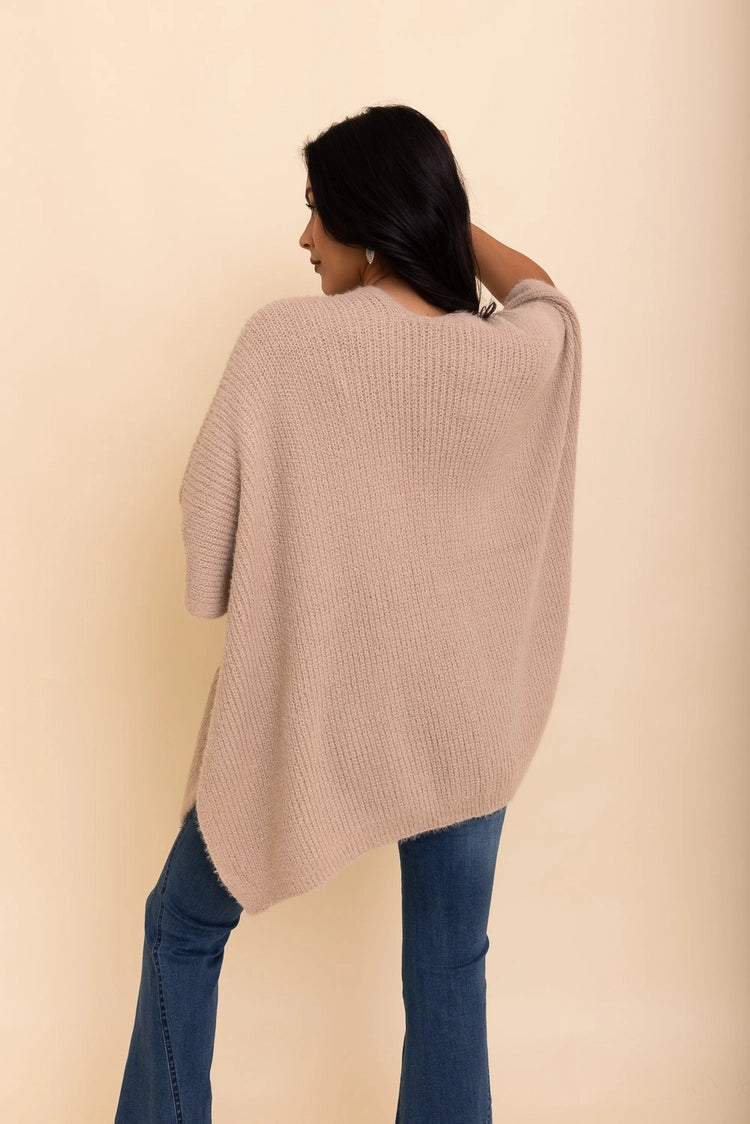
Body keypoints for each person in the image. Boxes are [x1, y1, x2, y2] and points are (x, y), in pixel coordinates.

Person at [114, 103, 582, 1123]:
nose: (304, 236)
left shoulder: (285, 343)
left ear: (367, 219)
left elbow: (207, 527)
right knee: (449, 966)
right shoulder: (508, 354)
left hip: (326, 712)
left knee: (181, 925)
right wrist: (446, 216)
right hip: (465, 723)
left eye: (318, 209)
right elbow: (545, 296)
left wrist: (242, 577)